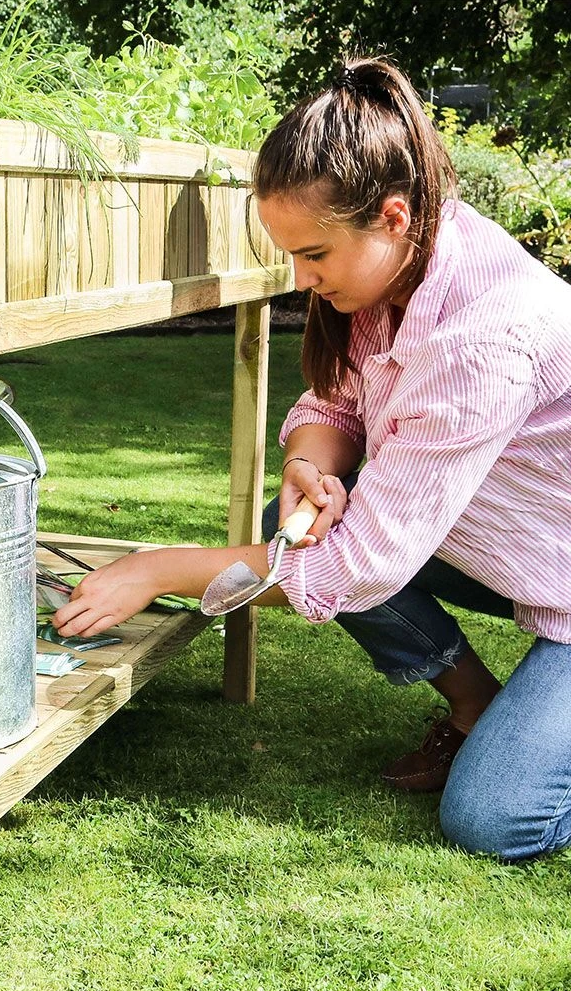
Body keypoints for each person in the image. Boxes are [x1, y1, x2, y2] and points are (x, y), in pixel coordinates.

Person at [52, 57, 571, 862]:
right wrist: (308, 463)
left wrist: (154, 569)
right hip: (532, 550)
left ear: (393, 217)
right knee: (285, 529)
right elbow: (335, 406)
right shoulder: (407, 263)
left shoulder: (481, 339)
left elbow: (360, 566)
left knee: (496, 822)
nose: (300, 279)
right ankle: (476, 708)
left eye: (315, 256)